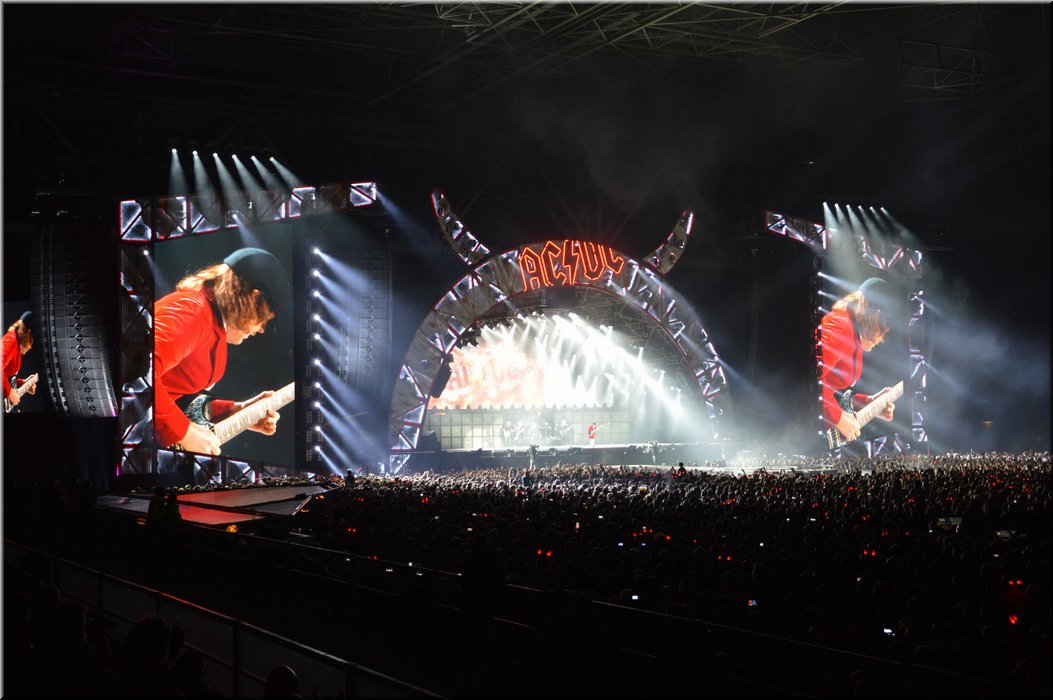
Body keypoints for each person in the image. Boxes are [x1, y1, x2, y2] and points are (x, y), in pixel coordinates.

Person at [153, 247, 290, 454]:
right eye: (264, 320)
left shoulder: (212, 323)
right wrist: (185, 432)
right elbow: (139, 374)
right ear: (253, 299)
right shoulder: (193, 311)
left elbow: (173, 397)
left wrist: (235, 412)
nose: (262, 329)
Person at [820, 277, 897, 444]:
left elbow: (833, 392)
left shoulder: (854, 337)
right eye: (885, 329)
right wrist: (837, 417)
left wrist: (868, 403)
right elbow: (808, 378)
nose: (883, 339)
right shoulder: (840, 326)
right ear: (877, 315)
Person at [3, 310, 37, 409]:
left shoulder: (16, 344)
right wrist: (9, 392)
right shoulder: (11, 341)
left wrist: (21, 383)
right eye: (33, 340)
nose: (31, 346)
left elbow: (5, 376)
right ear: (28, 334)